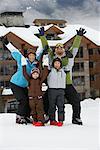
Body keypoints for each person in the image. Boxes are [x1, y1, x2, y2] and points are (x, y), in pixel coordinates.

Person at [40, 27, 86, 125]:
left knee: (76, 100)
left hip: (66, 84)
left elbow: (75, 47)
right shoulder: (52, 57)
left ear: (63, 49)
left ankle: (76, 118)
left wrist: (79, 36)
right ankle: (47, 115)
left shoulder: (68, 55)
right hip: (54, 85)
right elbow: (46, 47)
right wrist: (42, 36)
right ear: (55, 50)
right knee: (46, 100)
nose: (59, 49)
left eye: (61, 47)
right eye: (57, 48)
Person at [47, 57, 66, 127]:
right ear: (53, 64)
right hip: (52, 90)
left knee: (61, 106)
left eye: (58, 63)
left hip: (61, 90)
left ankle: (61, 120)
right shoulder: (50, 70)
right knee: (52, 106)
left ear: (60, 64)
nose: (57, 64)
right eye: (55, 63)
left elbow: (69, 62)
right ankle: (52, 120)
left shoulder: (63, 71)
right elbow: (47, 61)